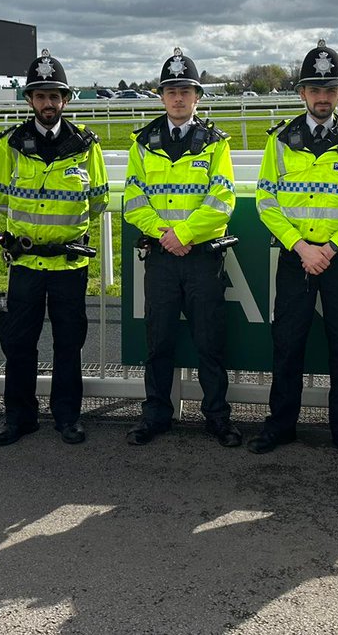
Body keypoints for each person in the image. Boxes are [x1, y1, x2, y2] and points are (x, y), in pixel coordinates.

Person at [248, 40, 338, 462]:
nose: (322, 97)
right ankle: (280, 426)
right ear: (302, 93)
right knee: (287, 345)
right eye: (314, 89)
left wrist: (332, 247)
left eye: (330, 89)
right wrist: (302, 247)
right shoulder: (281, 140)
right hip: (296, 258)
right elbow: (266, 201)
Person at [0, 50, 109, 446]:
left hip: (69, 264)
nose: (48, 103)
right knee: (19, 343)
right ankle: (20, 417)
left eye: (54, 96)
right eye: (40, 96)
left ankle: (67, 417)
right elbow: (1, 200)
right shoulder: (11, 145)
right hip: (24, 262)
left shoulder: (86, 145)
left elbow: (97, 200)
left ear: (66, 99)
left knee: (68, 344)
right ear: (29, 100)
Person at [123, 48, 241, 448]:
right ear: (160, 96)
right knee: (159, 341)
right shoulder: (143, 142)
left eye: (185, 90)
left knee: (210, 341)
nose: (178, 97)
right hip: (161, 257)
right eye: (171, 90)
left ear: (197, 97)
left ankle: (217, 418)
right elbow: (133, 200)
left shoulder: (215, 143)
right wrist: (163, 235)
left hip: (202, 258)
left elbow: (222, 199)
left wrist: (184, 234)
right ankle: (155, 415)